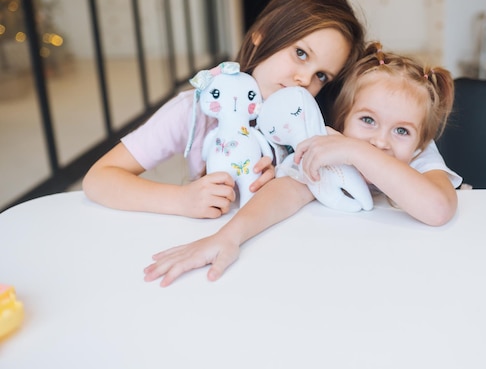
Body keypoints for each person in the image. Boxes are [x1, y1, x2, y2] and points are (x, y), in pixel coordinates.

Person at [144, 42, 462, 287]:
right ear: (341, 120)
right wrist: (229, 236)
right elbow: (285, 191)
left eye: (401, 130)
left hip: (416, 271)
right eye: (367, 120)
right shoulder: (325, 143)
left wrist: (358, 152)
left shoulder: (419, 156)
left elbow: (438, 210)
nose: (381, 141)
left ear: (420, 142)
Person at [82, 0, 365, 219]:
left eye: (321, 76)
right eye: (300, 53)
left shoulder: (312, 128)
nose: (305, 80)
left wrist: (286, 180)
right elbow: (99, 179)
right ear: (261, 34)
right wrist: (182, 200)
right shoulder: (196, 110)